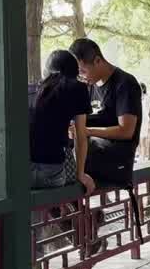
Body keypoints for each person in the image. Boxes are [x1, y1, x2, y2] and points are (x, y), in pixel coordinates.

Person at [70, 38, 143, 187]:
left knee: (76, 151)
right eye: (78, 73)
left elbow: (126, 131)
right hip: (94, 151)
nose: (82, 76)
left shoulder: (125, 83)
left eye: (83, 71)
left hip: (117, 160)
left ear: (97, 61)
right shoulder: (88, 86)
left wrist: (86, 131)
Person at [30, 50, 95, 192]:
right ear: (74, 70)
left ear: (47, 69)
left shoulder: (33, 90)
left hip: (23, 172)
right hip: (52, 173)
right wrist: (81, 174)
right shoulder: (78, 89)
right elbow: (80, 136)